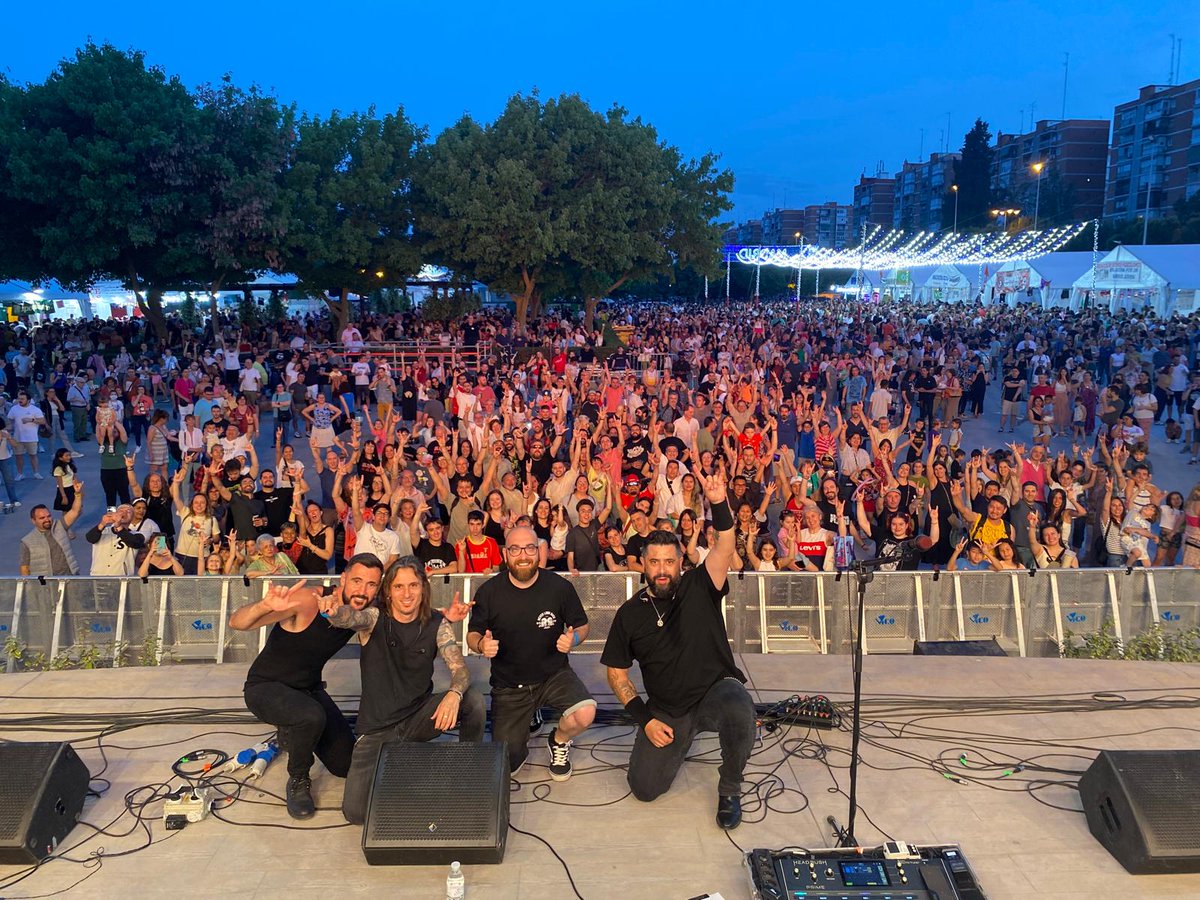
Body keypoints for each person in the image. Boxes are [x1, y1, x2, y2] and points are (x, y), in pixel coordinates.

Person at [602, 466, 755, 830]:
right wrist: (646, 720)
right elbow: (616, 674)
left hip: (714, 691)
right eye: (654, 561)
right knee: (644, 789)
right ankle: (680, 741)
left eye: (669, 562)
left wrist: (719, 503)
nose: (662, 569)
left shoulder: (701, 584)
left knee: (739, 708)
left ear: (681, 563)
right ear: (643, 564)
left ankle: (730, 787)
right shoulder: (630, 614)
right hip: (668, 708)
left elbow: (725, 546)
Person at [322, 557, 483, 824]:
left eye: (413, 585)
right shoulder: (375, 618)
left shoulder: (438, 624)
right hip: (377, 728)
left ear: (423, 588)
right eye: (398, 587)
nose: (406, 594)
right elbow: (350, 617)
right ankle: (402, 767)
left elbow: (460, 670)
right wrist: (332, 611)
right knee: (356, 813)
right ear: (388, 591)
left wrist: (454, 694)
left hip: (418, 718)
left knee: (472, 700)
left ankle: (468, 768)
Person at [231, 555, 384, 819]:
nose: (362, 591)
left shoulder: (362, 611)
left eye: (371, 584)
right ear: (343, 578)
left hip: (308, 689)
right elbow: (237, 622)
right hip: (266, 687)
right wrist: (264, 606)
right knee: (310, 717)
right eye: (357, 581)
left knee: (345, 765)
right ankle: (298, 779)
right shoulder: (307, 600)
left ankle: (293, 730)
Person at [467, 525, 595, 778]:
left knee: (585, 712)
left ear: (539, 552)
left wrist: (574, 639)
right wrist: (481, 645)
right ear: (505, 554)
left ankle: (558, 740)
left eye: (529, 548)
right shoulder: (489, 592)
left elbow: (582, 625)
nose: (523, 555)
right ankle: (529, 712)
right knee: (507, 766)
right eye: (515, 549)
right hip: (510, 685)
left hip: (553, 675)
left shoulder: (559, 587)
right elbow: (473, 634)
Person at [18, 486, 84, 576]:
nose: (47, 519)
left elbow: (75, 511)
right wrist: (28, 583)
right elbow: (24, 568)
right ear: (33, 521)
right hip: (47, 583)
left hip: (70, 577)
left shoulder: (60, 525)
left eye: (48, 516)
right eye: (42, 518)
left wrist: (78, 494)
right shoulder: (27, 541)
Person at [86, 504, 146, 575]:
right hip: (98, 575)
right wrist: (102, 523)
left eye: (128, 511)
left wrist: (118, 526)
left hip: (121, 578)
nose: (124, 513)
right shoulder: (102, 530)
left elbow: (134, 543)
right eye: (121, 511)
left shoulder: (136, 534)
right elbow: (90, 538)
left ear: (132, 518)